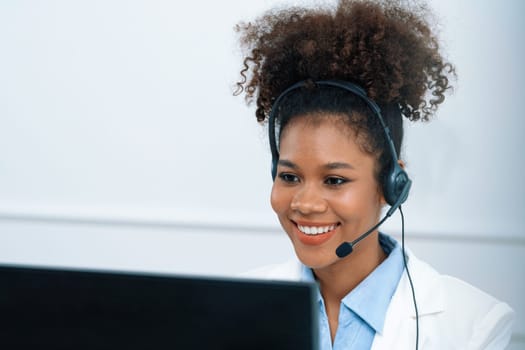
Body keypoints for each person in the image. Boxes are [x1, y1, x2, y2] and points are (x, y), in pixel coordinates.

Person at [234, 0, 514, 349]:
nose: (305, 203)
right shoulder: (236, 306)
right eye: (290, 177)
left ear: (391, 185)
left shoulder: (474, 326)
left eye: (334, 180)